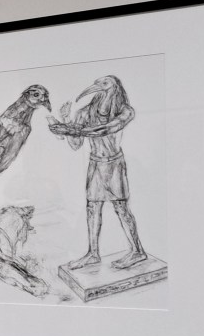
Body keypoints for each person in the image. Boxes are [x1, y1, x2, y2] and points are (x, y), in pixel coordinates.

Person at [48, 75, 147, 270]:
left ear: (114, 87)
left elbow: (105, 130)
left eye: (104, 84)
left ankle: (137, 251)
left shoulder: (125, 111)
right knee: (92, 208)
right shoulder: (85, 112)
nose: (97, 87)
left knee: (121, 207)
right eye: (98, 84)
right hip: (95, 164)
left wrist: (69, 129)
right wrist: (67, 121)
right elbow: (75, 144)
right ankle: (93, 253)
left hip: (114, 164)